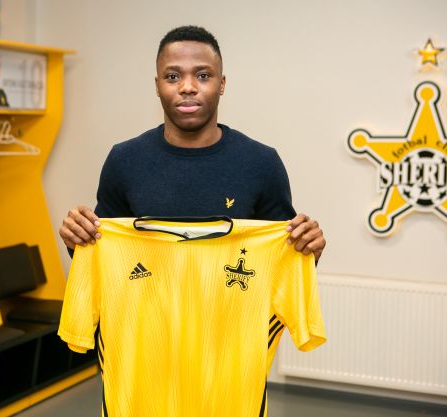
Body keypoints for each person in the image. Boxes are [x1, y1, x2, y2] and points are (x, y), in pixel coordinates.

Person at [59, 25, 326, 262]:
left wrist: (307, 248)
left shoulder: (262, 163)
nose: (187, 87)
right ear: (157, 86)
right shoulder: (124, 160)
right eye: (173, 77)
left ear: (222, 84)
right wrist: (77, 237)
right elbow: (103, 252)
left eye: (203, 75)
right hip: (148, 305)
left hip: (231, 306)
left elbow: (282, 258)